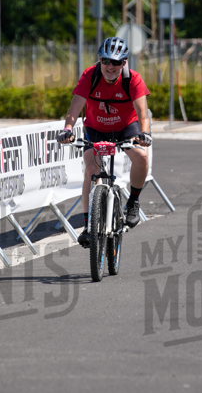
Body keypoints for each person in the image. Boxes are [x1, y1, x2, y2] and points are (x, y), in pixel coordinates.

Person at [57, 36, 152, 248]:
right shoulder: (90, 76)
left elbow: (142, 113)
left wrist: (144, 134)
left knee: (142, 156)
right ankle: (88, 227)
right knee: (91, 169)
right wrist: (67, 129)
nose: (110, 66)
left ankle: (133, 202)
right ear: (99, 60)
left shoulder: (133, 79)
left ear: (124, 63)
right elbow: (74, 109)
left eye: (116, 62)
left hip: (126, 127)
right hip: (96, 128)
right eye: (106, 61)